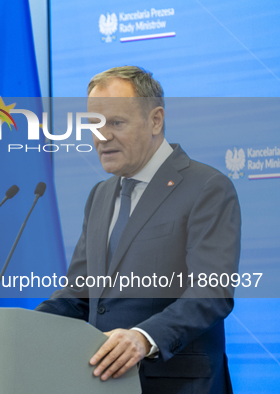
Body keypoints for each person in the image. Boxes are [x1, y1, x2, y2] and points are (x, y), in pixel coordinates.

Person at [36, 66, 240, 394]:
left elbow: (212, 292)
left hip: (180, 385)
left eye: (116, 123)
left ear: (155, 120)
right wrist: (18, 328)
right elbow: (79, 295)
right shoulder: (100, 195)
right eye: (94, 124)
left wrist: (143, 339)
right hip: (103, 384)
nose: (102, 136)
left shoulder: (207, 187)